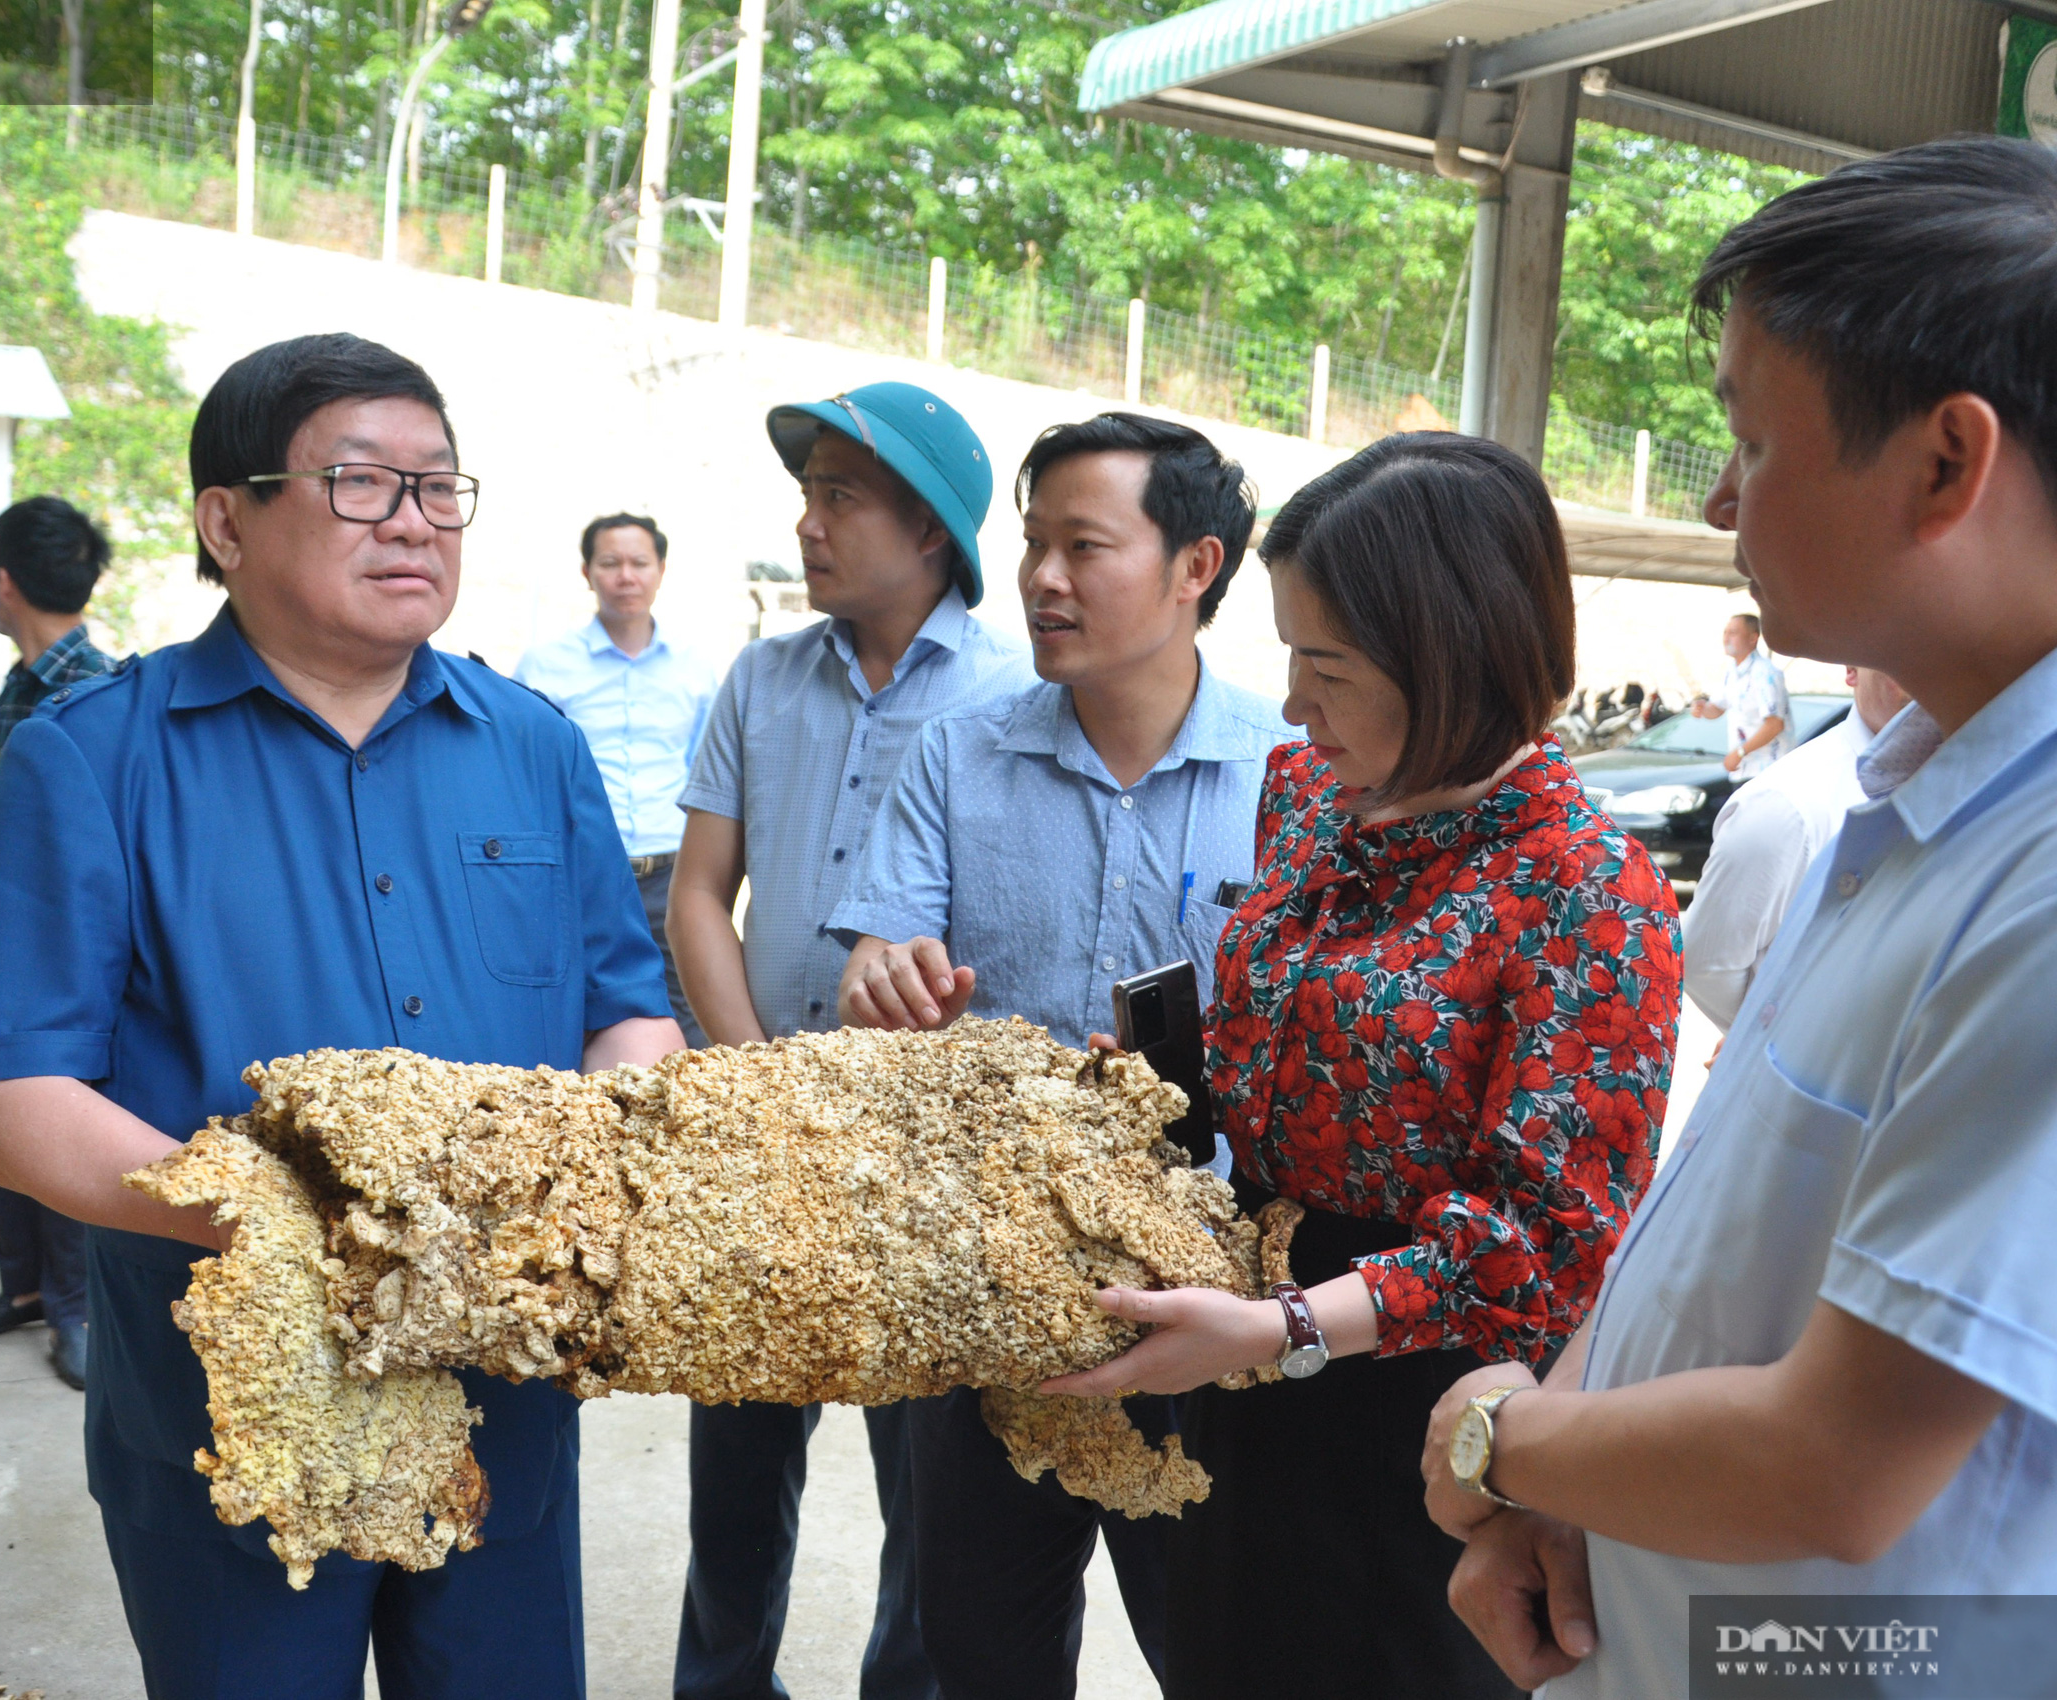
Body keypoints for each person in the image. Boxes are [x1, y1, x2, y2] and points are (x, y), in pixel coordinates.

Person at [1413, 137, 2057, 1700]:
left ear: (1945, 465)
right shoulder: (1940, 784)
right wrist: (1572, 1464)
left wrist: (1501, 1434)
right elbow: (1730, 1207)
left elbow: (1842, 1465)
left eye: (1749, 442)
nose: (1716, 499)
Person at [0, 333, 682, 1698]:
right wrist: (298, 1225)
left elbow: (627, 1015)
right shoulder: (91, 760)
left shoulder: (535, 747)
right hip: (232, 1412)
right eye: (360, 485)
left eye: (438, 487)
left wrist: (590, 1184)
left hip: (496, 1396)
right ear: (227, 521)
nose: (413, 521)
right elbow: (12, 1099)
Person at [1039, 432, 1682, 1700]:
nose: (1290, 703)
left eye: (1323, 665)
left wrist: (1280, 1328)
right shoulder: (1312, 802)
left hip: (1437, 1418)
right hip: (1246, 1368)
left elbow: (1546, 1240)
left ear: (1446, 656)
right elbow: (1288, 1063)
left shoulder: (1585, 888)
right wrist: (1166, 1086)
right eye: (1287, 655)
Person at [829, 412, 1287, 1700]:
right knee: (976, 1648)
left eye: (1084, 546)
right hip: (987, 1288)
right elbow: (883, 949)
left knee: (1217, 1648)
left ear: (1195, 565)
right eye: (1034, 544)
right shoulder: (957, 755)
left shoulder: (1292, 773)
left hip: (1210, 1295)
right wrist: (882, 972)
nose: (1040, 578)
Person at [667, 380, 1032, 1700]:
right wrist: (754, 1066)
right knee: (737, 1469)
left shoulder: (1012, 698)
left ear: (930, 531)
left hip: (919, 1163)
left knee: (929, 1487)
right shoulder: (762, 680)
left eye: (841, 497)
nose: (809, 524)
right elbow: (703, 888)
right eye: (806, 495)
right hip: (762, 1135)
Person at [0, 495, 119, 1391]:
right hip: (11, 915)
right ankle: (22, 1291)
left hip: (73, 934)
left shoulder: (94, 686)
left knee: (55, 1105)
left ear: (1, 582)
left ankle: (74, 1305)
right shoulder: (21, 682)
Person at [515, 512, 719, 1048]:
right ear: (587, 572)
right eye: (610, 563)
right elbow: (528, 776)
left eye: (638, 563)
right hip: (583, 874)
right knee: (586, 1012)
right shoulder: (543, 667)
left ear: (660, 571)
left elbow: (708, 777)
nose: (625, 576)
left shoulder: (696, 669)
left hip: (672, 876)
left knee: (692, 1014)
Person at [1679, 663, 1907, 1030]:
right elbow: (1708, 964)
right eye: (1906, 653)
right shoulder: (1788, 805)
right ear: (1852, 667)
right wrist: (1780, 1047)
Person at [1688, 611, 1789, 776]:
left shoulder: (1765, 673)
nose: (1726, 638)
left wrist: (1740, 752)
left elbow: (1774, 724)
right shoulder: (1731, 672)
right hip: (1742, 770)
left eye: (1733, 633)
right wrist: (1703, 709)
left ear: (1752, 638)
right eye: (1725, 633)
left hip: (1768, 772)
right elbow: (1718, 708)